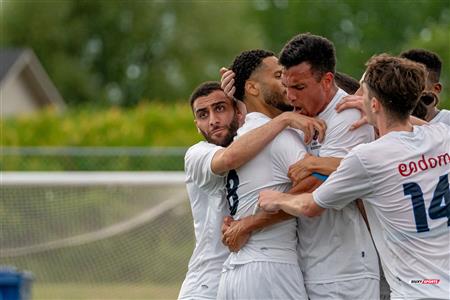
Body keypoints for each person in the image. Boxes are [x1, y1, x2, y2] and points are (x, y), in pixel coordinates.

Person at [259, 54, 450, 300]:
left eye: (364, 92)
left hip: (415, 290)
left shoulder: (368, 157)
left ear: (374, 103)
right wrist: (386, 111)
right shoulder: (443, 137)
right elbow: (416, 127)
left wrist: (276, 199)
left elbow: (310, 206)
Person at [222, 33, 380, 300]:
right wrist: (238, 98)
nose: (289, 95)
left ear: (327, 80)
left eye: (299, 88)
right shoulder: (294, 119)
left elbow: (318, 187)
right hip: (306, 266)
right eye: (285, 84)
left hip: (345, 270)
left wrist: (249, 224)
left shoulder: (348, 116)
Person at [179, 81, 325, 299]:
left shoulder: (254, 147)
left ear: (238, 113)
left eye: (220, 108)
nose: (213, 121)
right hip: (205, 286)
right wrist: (283, 120)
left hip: (238, 275)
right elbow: (230, 157)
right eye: (203, 114)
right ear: (196, 124)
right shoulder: (198, 154)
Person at [216, 49, 311, 299]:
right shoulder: (280, 136)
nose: (287, 82)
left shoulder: (241, 138)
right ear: (253, 88)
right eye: (279, 75)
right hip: (271, 269)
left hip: (235, 270)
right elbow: (317, 185)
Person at [400, 48, 450, 125]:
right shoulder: (386, 125)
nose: (408, 88)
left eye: (416, 82)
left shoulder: (447, 121)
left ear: (436, 89)